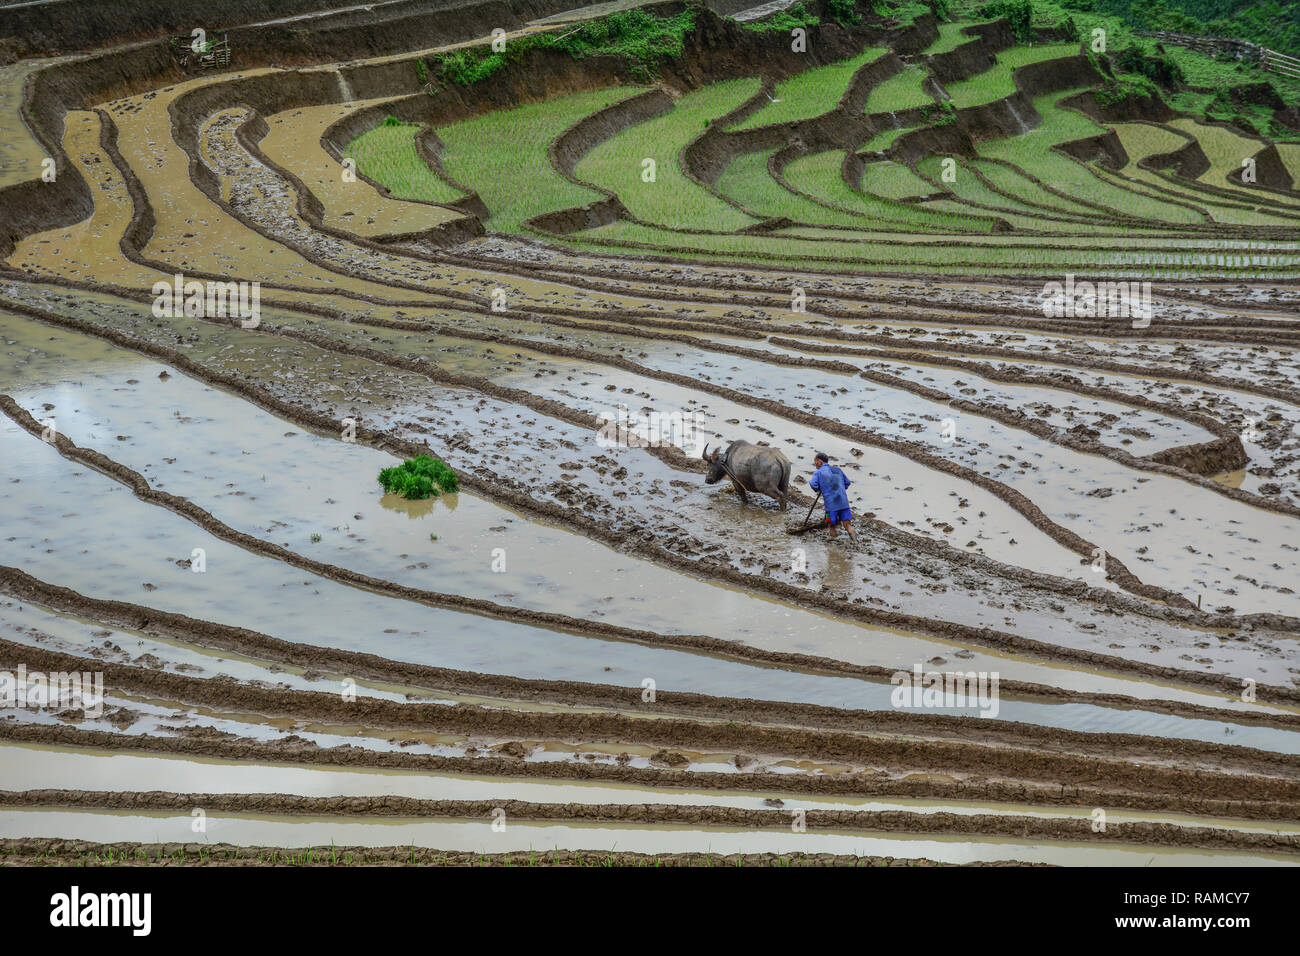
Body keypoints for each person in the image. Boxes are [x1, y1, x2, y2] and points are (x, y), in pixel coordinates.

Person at [809, 451, 856, 541]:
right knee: (848, 525)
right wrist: (840, 488)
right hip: (844, 503)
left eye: (815, 461)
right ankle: (855, 542)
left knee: (831, 526)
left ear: (820, 462)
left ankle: (832, 549)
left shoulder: (818, 472)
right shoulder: (838, 470)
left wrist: (821, 488)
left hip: (830, 506)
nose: (815, 464)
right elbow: (847, 483)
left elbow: (813, 485)